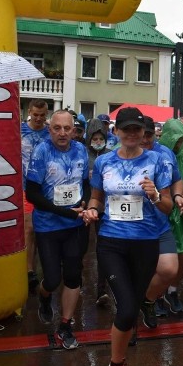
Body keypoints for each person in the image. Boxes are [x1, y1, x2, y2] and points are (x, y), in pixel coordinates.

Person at [81, 107, 180, 366]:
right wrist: (91, 210)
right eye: (127, 129)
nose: (132, 134)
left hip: (146, 242)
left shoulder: (156, 161)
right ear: (117, 131)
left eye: (137, 129)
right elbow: (97, 197)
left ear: (143, 133)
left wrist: (154, 195)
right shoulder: (104, 161)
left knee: (131, 307)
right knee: (125, 309)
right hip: (111, 241)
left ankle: (122, 348)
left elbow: (167, 207)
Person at [25, 111, 90, 349]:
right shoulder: (42, 152)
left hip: (74, 225)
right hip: (48, 225)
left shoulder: (81, 150)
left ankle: (65, 324)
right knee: (52, 279)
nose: (62, 133)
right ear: (49, 129)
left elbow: (85, 183)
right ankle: (44, 296)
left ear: (74, 130)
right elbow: (31, 193)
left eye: (67, 128)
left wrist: (85, 204)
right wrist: (64, 211)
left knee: (73, 275)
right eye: (57, 128)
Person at [139, 117, 183, 327]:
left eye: (150, 134)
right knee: (136, 271)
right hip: (131, 225)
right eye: (143, 134)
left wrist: (177, 195)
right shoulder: (123, 152)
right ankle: (128, 321)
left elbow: (177, 178)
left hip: (160, 220)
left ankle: (147, 300)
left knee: (168, 269)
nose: (146, 139)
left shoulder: (165, 153)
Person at [158, 119, 183, 314]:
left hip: (180, 212)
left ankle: (172, 291)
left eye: (182, 140)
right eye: (177, 139)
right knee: (159, 257)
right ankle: (155, 294)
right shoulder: (156, 155)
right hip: (160, 212)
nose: (180, 144)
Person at [21, 99, 50, 293]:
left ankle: (46, 269)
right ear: (29, 112)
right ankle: (29, 270)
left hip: (47, 188)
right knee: (29, 228)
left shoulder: (50, 133)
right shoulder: (20, 130)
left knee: (43, 230)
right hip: (25, 186)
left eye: (42, 115)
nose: (38, 119)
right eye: (35, 114)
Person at [85, 118, 111, 305]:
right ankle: (74, 282)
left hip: (104, 208)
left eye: (101, 137)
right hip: (83, 204)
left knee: (102, 247)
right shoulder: (81, 154)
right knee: (80, 247)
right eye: (94, 137)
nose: (98, 141)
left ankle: (102, 290)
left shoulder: (110, 155)